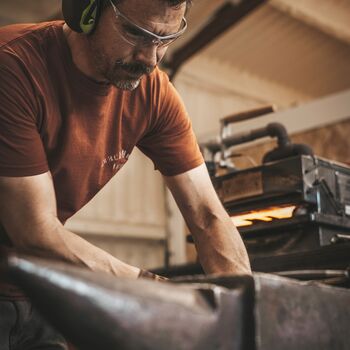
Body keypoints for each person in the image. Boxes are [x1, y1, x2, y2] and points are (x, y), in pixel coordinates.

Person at [0, 0, 251, 348]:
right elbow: (35, 230)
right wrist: (160, 293)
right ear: (86, 11)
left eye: (165, 38)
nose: (150, 59)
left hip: (40, 288)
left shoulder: (155, 95)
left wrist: (243, 313)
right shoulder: (13, 65)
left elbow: (208, 216)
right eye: (135, 32)